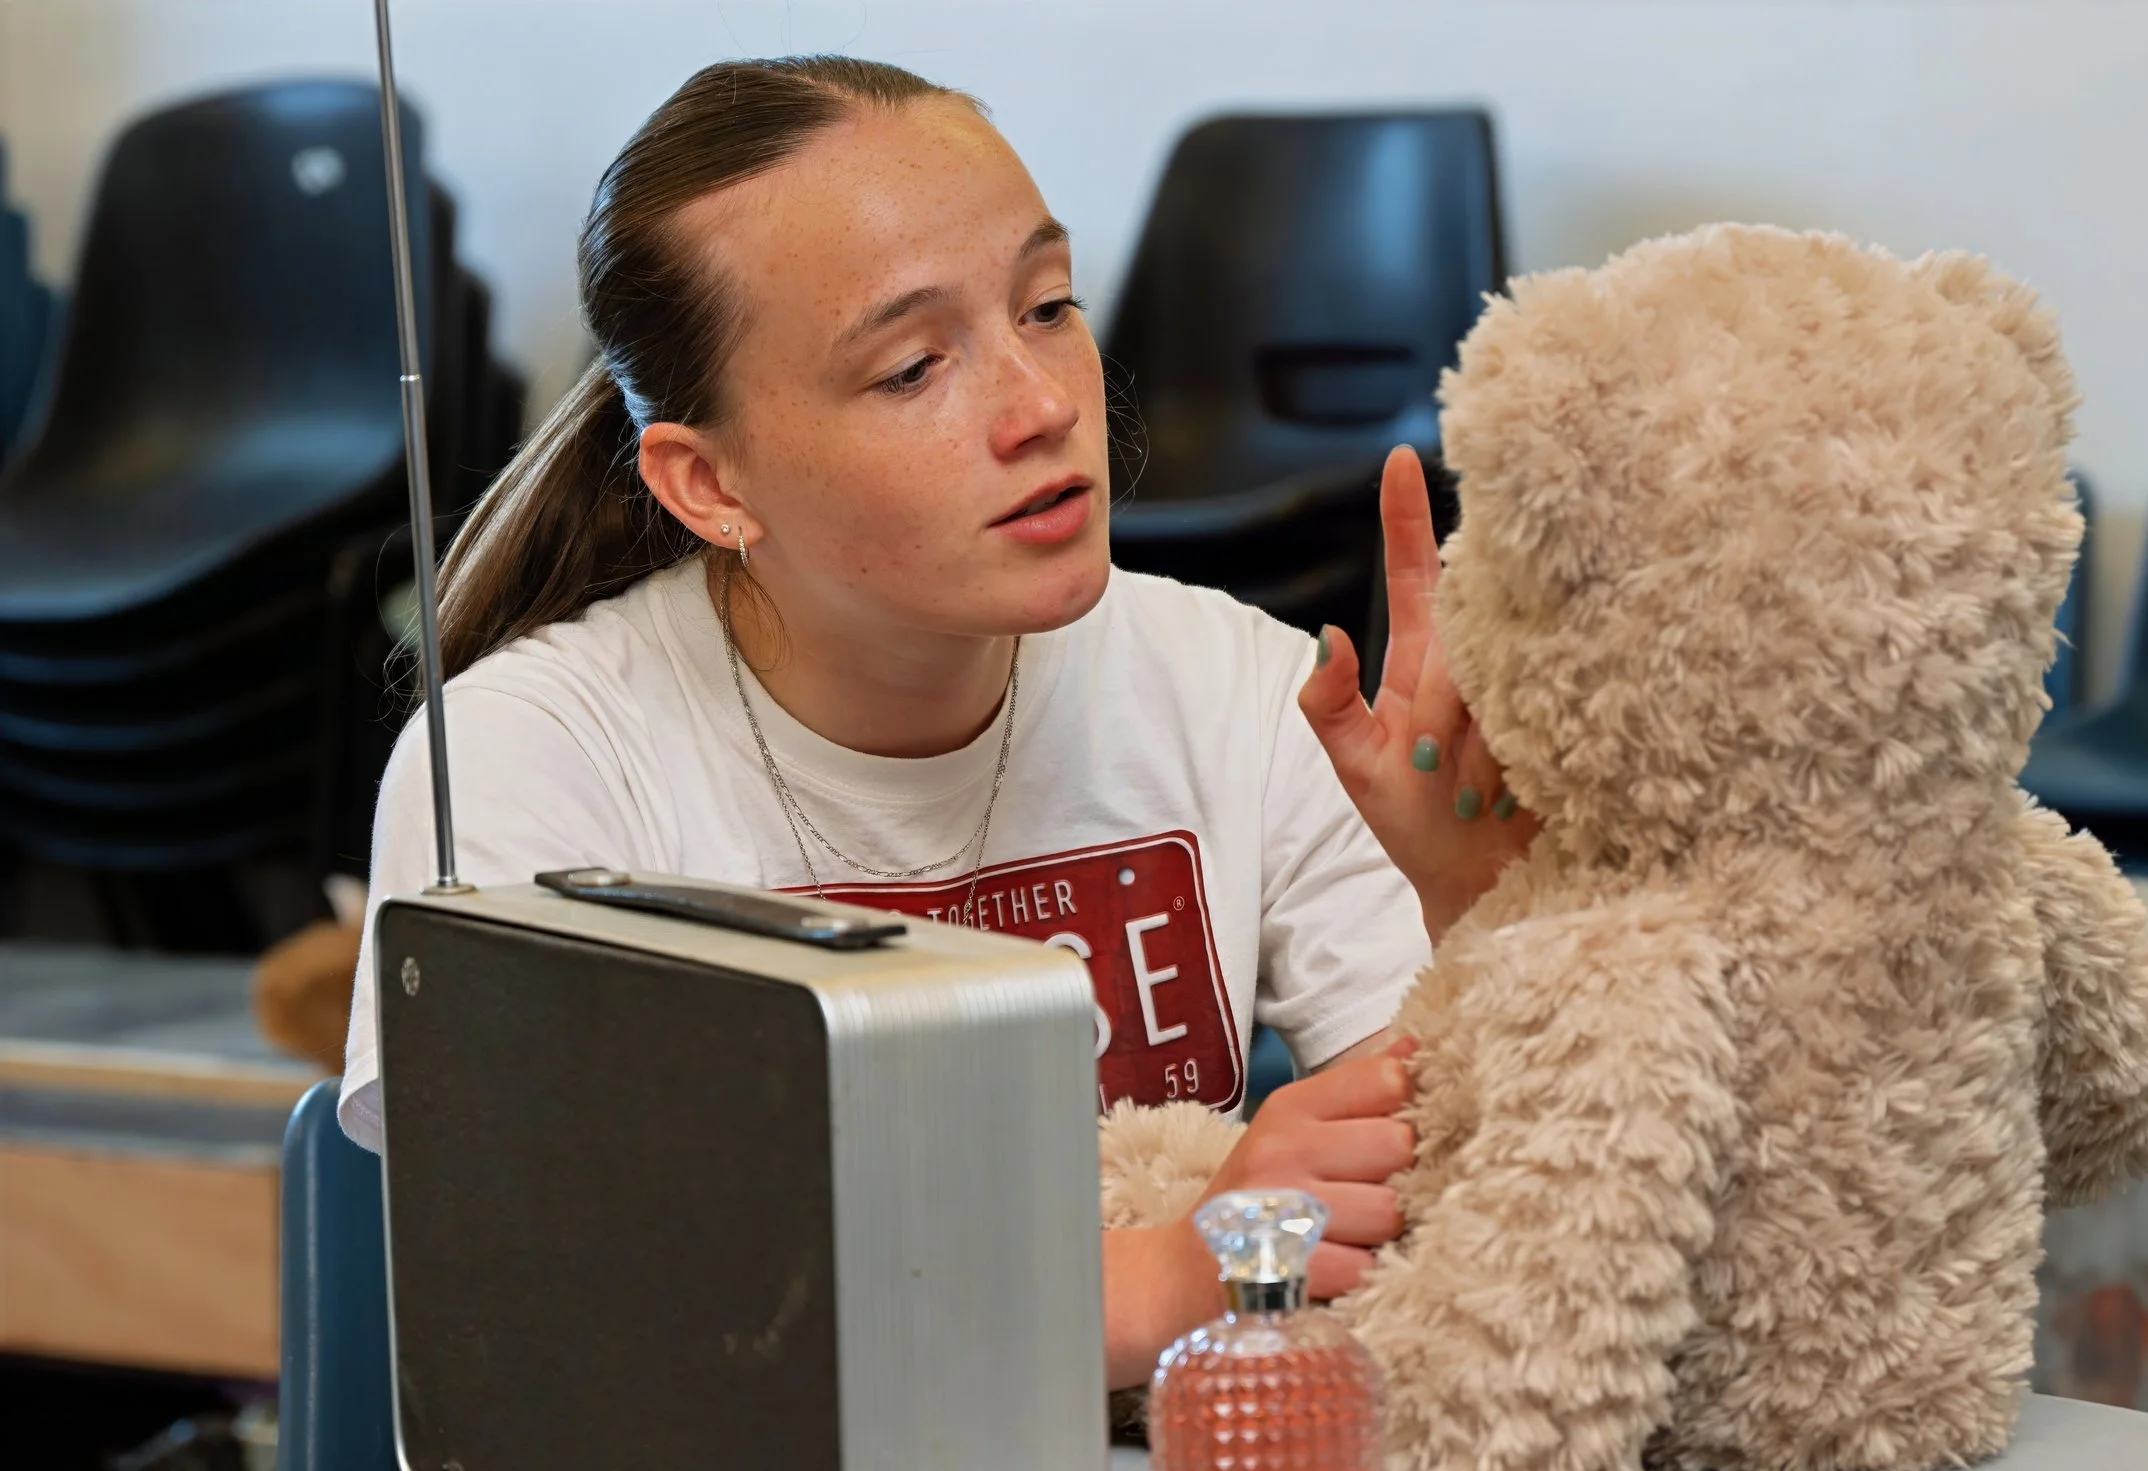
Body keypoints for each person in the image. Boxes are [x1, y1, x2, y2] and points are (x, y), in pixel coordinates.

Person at [341, 55, 1532, 1394]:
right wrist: (1141, 1286)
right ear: (707, 482)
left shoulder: (1242, 690)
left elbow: (1455, 1194)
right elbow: (568, 1302)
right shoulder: (530, 757)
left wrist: (1480, 917)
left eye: (1049, 305)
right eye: (913, 367)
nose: (1042, 407)